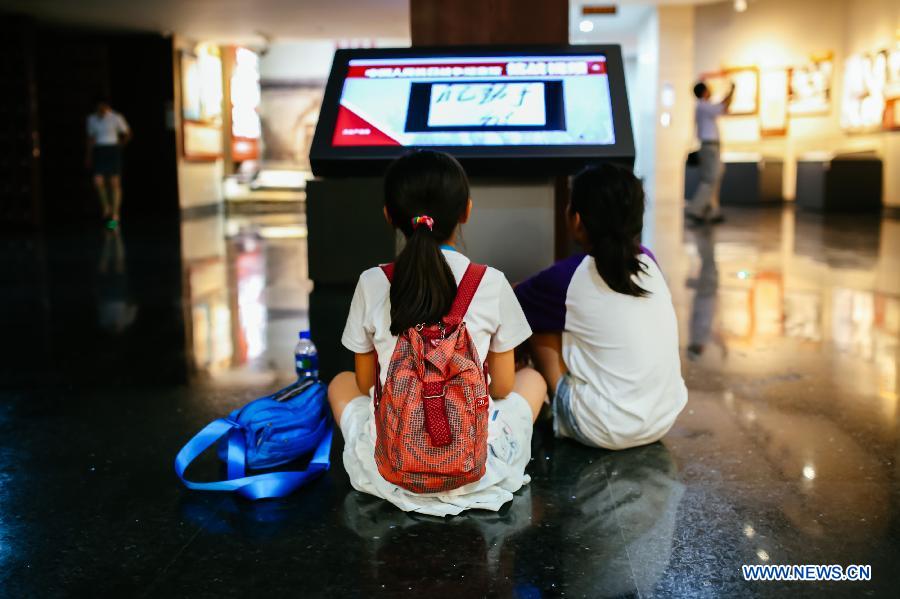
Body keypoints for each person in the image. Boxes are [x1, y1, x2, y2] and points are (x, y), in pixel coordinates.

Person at [328, 150, 546, 517]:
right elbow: (503, 388)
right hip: (475, 465)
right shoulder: (489, 281)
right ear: (467, 211)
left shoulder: (372, 282)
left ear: (388, 216)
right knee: (534, 380)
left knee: (339, 382)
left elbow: (367, 383)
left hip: (393, 467)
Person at [515, 163, 687, 450]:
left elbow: (513, 301)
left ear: (577, 219)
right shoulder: (649, 261)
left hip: (602, 428)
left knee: (539, 324)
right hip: (663, 418)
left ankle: (554, 403)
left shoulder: (566, 278)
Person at [687, 80, 735, 224]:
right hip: (709, 147)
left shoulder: (703, 107)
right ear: (704, 92)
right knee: (710, 179)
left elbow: (722, 107)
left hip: (711, 147)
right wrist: (731, 91)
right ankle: (695, 209)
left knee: (714, 179)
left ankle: (711, 211)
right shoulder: (703, 105)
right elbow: (723, 106)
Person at [86, 97, 131, 228]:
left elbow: (127, 133)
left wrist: (120, 145)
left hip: (112, 148)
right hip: (100, 149)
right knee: (98, 180)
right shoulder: (92, 119)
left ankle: (115, 216)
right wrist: (88, 155)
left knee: (114, 182)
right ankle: (106, 207)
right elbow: (91, 138)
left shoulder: (115, 117)